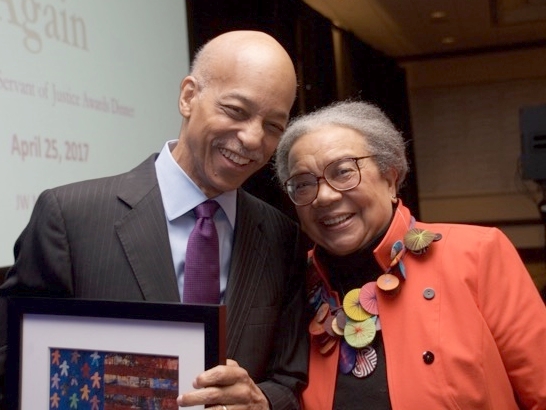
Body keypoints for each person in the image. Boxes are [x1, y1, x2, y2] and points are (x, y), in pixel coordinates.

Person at [0, 30, 308, 410]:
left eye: (273, 126)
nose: (252, 138)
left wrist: (263, 401)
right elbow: (14, 362)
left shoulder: (283, 238)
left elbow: (290, 378)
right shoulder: (69, 217)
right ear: (188, 96)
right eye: (236, 111)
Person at [274, 100, 546, 409]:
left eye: (344, 172)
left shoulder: (477, 254)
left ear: (390, 179)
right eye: (303, 184)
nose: (324, 196)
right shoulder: (292, 282)